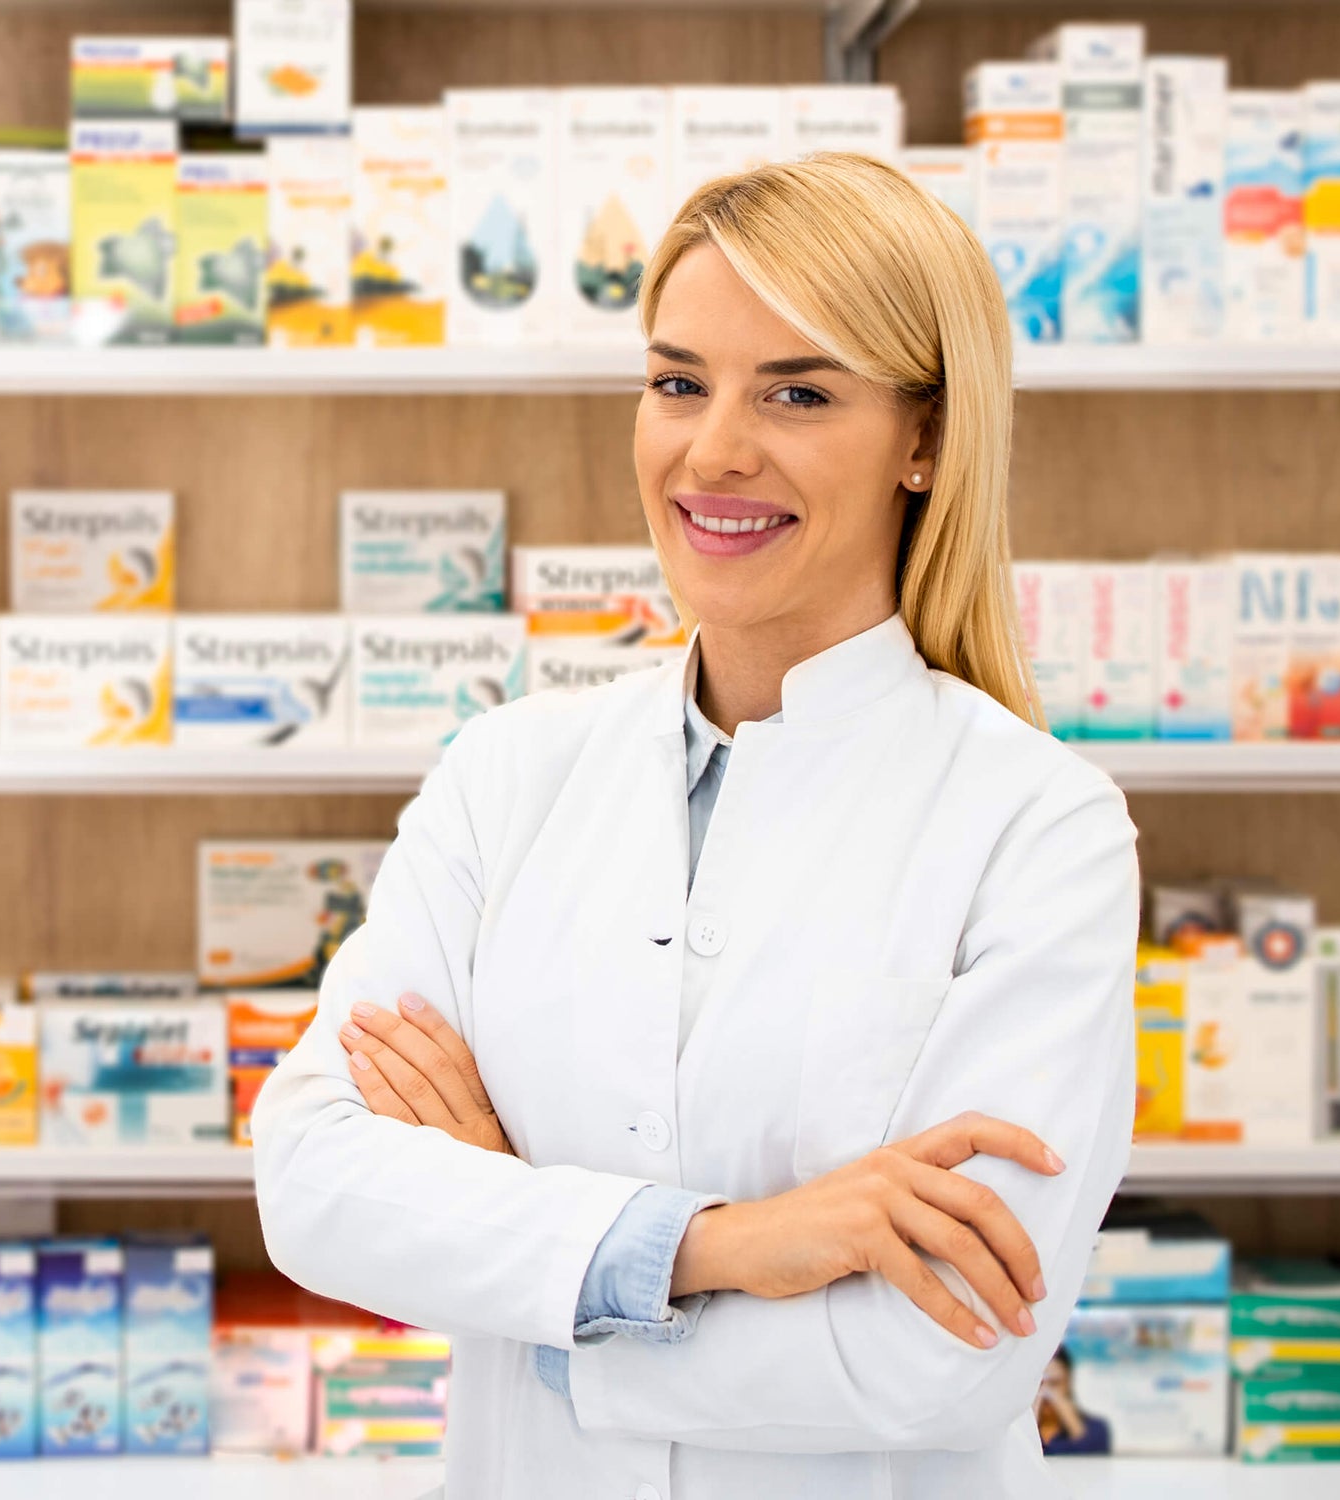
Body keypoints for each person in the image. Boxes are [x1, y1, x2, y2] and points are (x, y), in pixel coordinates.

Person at [253, 151, 1140, 1500]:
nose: (712, 449)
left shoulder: (1034, 825)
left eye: (798, 390)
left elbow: (950, 1350)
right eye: (679, 382)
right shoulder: (508, 777)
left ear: (927, 440)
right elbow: (314, 1182)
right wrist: (718, 1247)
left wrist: (534, 1269)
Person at [1035, 1346, 1113, 1456]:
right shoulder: (1015, 1431)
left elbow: (1093, 1454)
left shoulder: (1097, 1428)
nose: (1046, 1394)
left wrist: (1069, 1418)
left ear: (1068, 1383)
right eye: (1040, 1385)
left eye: (1054, 1383)